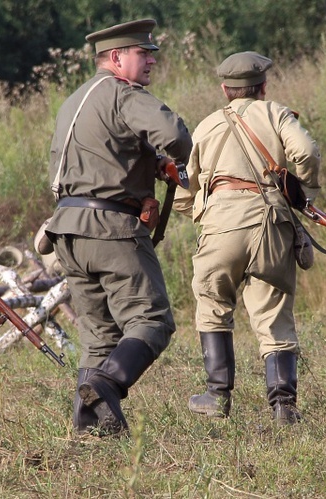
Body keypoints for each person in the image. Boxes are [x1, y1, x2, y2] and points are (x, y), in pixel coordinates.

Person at [43, 19, 192, 436]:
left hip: (68, 228)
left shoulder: (73, 101)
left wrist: (148, 160)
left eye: (151, 53)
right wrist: (168, 154)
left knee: (98, 337)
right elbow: (176, 136)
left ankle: (92, 431)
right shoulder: (124, 94)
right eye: (143, 54)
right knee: (153, 319)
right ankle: (105, 385)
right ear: (116, 58)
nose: (151, 61)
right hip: (110, 227)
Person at [172, 51, 321, 424]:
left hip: (220, 225)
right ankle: (283, 407)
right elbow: (305, 151)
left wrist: (203, 214)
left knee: (213, 306)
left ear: (225, 90)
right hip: (271, 223)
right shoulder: (276, 113)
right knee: (274, 318)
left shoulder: (205, 126)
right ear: (264, 86)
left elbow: (182, 191)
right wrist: (304, 194)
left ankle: (217, 397)